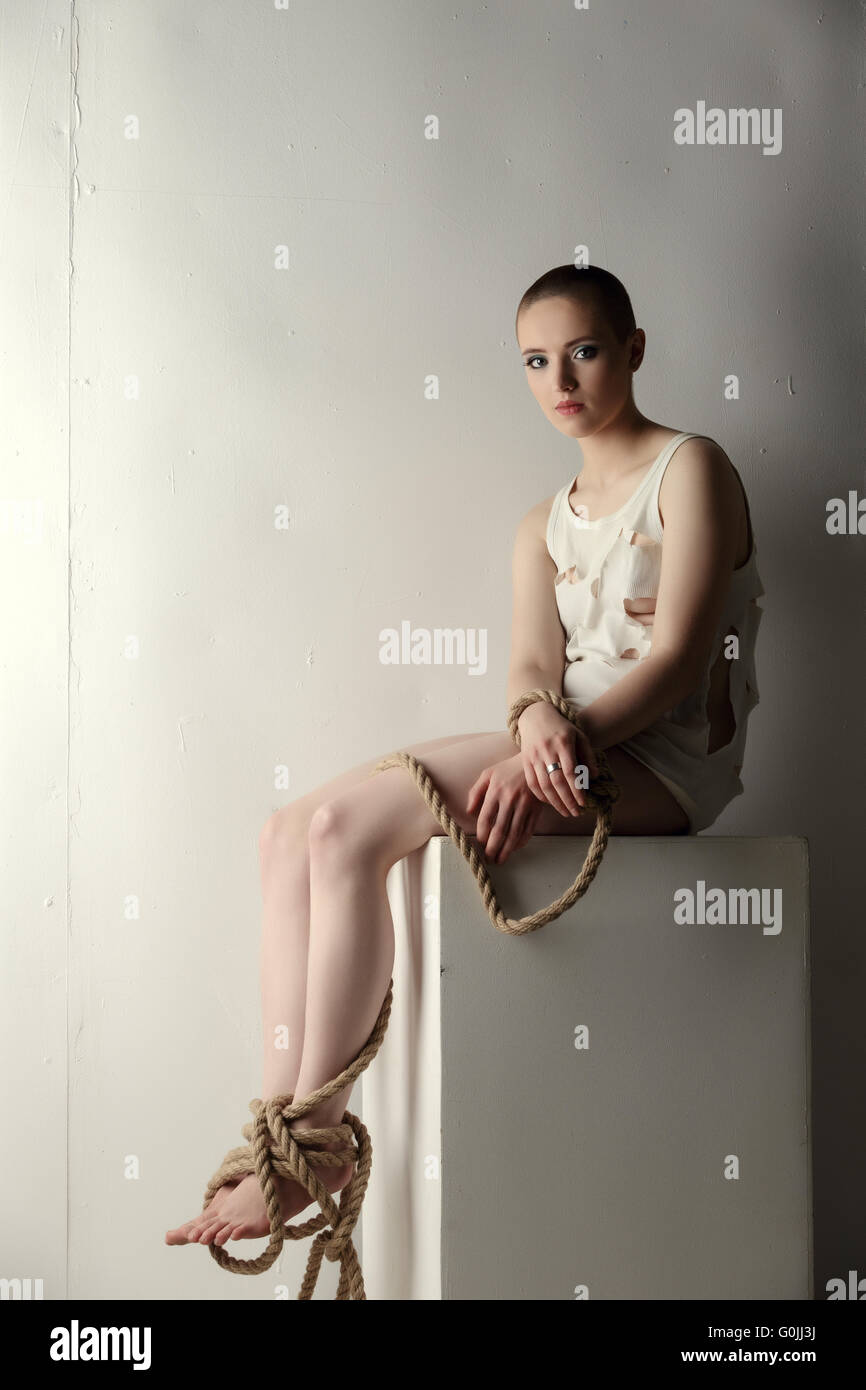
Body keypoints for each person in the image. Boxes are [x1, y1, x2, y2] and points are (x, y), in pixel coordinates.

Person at [165, 263, 763, 1249]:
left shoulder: (689, 468)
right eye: (534, 360)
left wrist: (555, 735)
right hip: (568, 743)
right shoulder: (542, 521)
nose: (558, 379)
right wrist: (533, 721)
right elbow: (530, 664)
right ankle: (279, 1132)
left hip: (656, 765)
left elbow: (678, 658)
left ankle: (318, 1139)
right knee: (288, 833)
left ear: (631, 350)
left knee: (344, 836)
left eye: (581, 351)